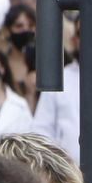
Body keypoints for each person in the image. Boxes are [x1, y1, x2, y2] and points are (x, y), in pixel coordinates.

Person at [31, 16, 81, 162]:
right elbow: (42, 131)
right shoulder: (61, 78)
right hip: (67, 170)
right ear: (74, 40)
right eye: (83, 32)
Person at [0, 5, 37, 110]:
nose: (26, 30)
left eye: (30, 25)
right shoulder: (1, 63)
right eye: (19, 26)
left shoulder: (45, 61)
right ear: (8, 30)